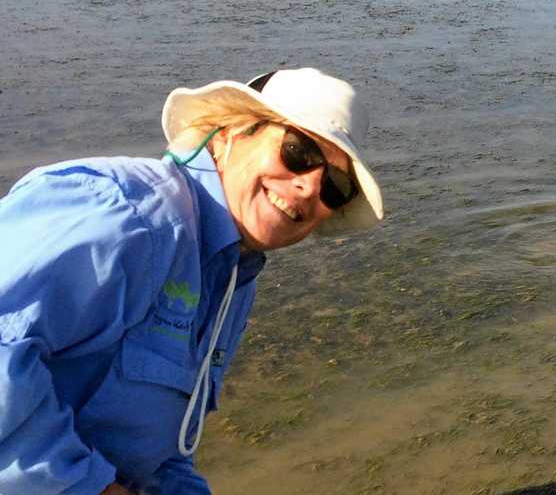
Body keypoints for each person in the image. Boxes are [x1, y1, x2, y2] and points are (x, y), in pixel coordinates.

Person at [0, 68, 384, 494]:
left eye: (335, 186)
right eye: (298, 151)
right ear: (228, 134)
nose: (309, 186)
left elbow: (162, 452)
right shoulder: (128, 217)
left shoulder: (233, 280)